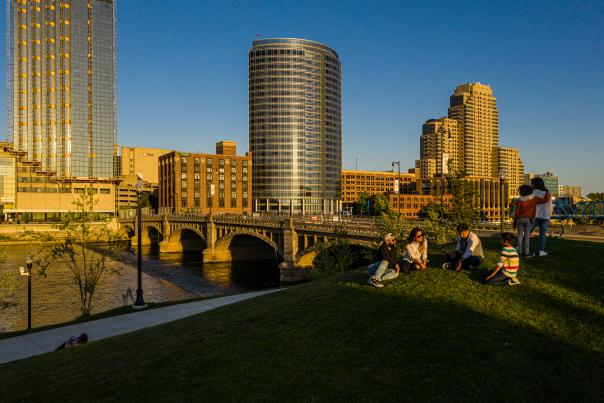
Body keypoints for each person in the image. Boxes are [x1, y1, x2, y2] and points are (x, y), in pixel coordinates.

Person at [513, 185, 551, 258]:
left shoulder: (518, 200)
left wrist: (514, 223)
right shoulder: (533, 199)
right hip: (529, 220)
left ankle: (519, 252)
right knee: (527, 236)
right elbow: (545, 200)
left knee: (520, 236)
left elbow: (516, 213)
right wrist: (547, 193)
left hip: (520, 220)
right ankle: (526, 253)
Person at [530, 177, 553, 257]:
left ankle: (519, 247)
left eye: (532, 183)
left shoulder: (533, 192)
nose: (531, 185)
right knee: (542, 234)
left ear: (535, 184)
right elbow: (550, 206)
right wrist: (549, 215)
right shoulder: (547, 193)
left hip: (535, 215)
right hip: (545, 216)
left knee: (527, 232)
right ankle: (541, 251)